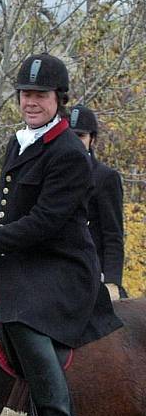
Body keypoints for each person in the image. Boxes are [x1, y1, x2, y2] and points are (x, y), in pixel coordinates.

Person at [0, 53, 122, 416]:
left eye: (40, 95)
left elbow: (44, 222)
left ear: (57, 98)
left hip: (61, 266)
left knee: (19, 315)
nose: (31, 101)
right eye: (25, 94)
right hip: (25, 256)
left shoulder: (68, 152)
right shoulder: (20, 141)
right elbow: (3, 209)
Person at [68, 103, 128, 300]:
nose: (75, 141)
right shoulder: (53, 174)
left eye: (81, 136)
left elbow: (113, 234)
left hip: (93, 272)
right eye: (70, 135)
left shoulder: (105, 177)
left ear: (92, 139)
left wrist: (112, 281)